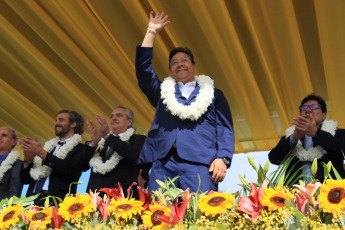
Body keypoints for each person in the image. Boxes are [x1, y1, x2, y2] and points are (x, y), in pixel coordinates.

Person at [135, 12, 234, 192]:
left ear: (193, 67)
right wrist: (151, 32)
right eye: (174, 62)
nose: (179, 64)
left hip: (201, 163)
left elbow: (225, 129)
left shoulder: (213, 94)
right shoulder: (162, 92)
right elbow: (143, 70)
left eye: (184, 60)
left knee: (201, 214)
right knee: (159, 214)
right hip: (163, 163)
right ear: (171, 71)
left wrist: (224, 158)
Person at [269, 94, 345, 184]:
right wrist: (294, 137)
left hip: (330, 192)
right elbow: (274, 159)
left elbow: (341, 151)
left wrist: (316, 133)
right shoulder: (290, 136)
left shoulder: (338, 133)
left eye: (314, 107)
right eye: (304, 108)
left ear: (324, 115)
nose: (308, 110)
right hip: (296, 194)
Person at [20, 110, 90, 206]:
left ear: (73, 124)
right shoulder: (48, 147)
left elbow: (70, 171)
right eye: (56, 120)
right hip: (32, 201)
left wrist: (40, 152)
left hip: (58, 203)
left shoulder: (81, 148)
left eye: (61, 120)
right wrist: (27, 160)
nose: (57, 123)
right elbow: (25, 180)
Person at [82, 105, 146, 198]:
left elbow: (133, 155)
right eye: (111, 116)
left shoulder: (139, 139)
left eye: (119, 115)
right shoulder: (99, 141)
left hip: (122, 198)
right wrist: (94, 143)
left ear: (129, 121)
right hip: (96, 197)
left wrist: (108, 136)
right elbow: (82, 166)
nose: (114, 118)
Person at [0, 127, 23, 200]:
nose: (0, 137)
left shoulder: (17, 164)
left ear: (13, 141)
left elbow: (14, 192)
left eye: (4, 135)